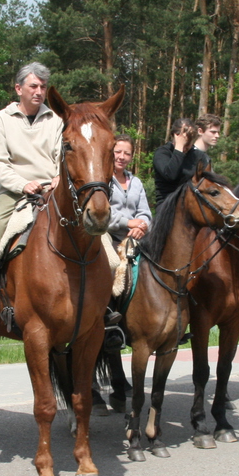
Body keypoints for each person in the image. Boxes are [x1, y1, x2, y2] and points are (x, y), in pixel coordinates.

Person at [0, 63, 62, 332]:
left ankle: (102, 300)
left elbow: (62, 156)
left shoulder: (55, 120)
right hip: (13, 191)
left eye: (43, 87)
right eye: (33, 86)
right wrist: (24, 184)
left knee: (91, 228)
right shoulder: (1, 119)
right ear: (18, 88)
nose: (39, 91)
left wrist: (58, 178)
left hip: (53, 189)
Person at [97, 135, 151, 408]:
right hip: (108, 237)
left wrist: (142, 224)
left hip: (134, 238)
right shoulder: (103, 179)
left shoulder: (137, 182)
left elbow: (146, 212)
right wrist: (129, 221)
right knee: (110, 268)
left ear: (132, 156)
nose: (121, 156)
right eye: (117, 152)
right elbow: (103, 212)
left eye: (126, 153)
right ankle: (107, 318)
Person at [152, 117, 200, 204]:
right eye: (183, 143)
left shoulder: (196, 155)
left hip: (191, 205)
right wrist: (178, 149)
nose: (184, 148)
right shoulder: (162, 153)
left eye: (187, 145)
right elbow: (170, 175)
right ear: (174, 136)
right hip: (167, 205)